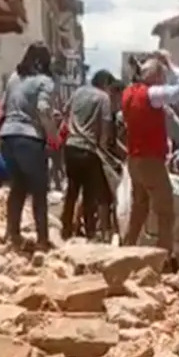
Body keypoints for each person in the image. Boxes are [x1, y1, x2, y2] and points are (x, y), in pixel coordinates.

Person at [120, 50, 179, 259]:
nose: (164, 80)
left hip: (134, 160)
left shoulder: (129, 93)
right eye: (162, 75)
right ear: (156, 75)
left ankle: (126, 251)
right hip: (151, 161)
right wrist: (170, 63)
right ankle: (164, 257)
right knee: (165, 212)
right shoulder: (152, 95)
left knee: (139, 210)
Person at [0, 42, 58, 249]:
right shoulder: (45, 81)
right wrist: (53, 136)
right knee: (39, 190)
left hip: (8, 136)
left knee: (17, 187)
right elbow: (43, 109)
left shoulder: (14, 78)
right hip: (30, 139)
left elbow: (3, 107)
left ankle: (12, 234)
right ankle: (42, 240)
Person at [62, 69, 116, 240]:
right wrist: (103, 148)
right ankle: (90, 232)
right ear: (105, 83)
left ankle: (66, 229)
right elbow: (106, 124)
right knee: (89, 194)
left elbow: (65, 111)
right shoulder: (103, 98)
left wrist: (73, 127)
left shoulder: (78, 92)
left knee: (71, 191)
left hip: (71, 146)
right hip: (89, 149)